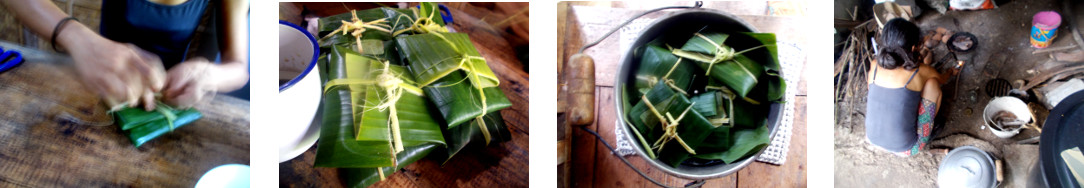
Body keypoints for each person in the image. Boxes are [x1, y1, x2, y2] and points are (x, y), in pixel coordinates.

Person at [1, 0, 248, 111]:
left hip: (165, 94)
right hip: (98, 81)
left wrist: (209, 75)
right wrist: (77, 38)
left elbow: (238, 69)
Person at [866, 18, 959, 157]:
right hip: (907, 149)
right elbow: (943, 79)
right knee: (932, 85)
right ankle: (930, 128)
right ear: (913, 48)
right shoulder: (919, 71)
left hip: (872, 139)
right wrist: (951, 72)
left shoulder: (874, 65)